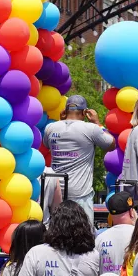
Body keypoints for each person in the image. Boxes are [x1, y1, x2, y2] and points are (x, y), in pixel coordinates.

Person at [43, 95, 115, 224]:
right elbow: (111, 144)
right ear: (84, 112)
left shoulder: (51, 128)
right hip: (79, 192)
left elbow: (47, 144)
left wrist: (61, 121)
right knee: (83, 235)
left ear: (65, 111)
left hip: (56, 191)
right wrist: (97, 123)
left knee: (57, 233)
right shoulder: (91, 128)